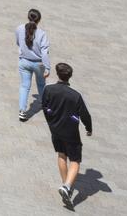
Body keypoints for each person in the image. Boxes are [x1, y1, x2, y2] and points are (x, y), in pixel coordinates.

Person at [42, 63, 92, 209]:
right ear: (69, 76)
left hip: (55, 130)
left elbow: (44, 106)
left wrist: (51, 120)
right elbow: (85, 115)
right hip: (71, 133)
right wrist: (89, 128)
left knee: (61, 155)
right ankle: (67, 187)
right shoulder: (75, 95)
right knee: (75, 160)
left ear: (58, 74)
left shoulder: (49, 89)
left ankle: (66, 187)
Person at [16, 8, 51, 121]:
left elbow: (18, 42)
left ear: (28, 17)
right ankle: (45, 106)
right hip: (38, 64)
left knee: (24, 86)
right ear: (39, 20)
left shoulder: (20, 28)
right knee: (41, 84)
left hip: (24, 62)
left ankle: (22, 111)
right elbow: (44, 53)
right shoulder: (42, 34)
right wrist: (47, 68)